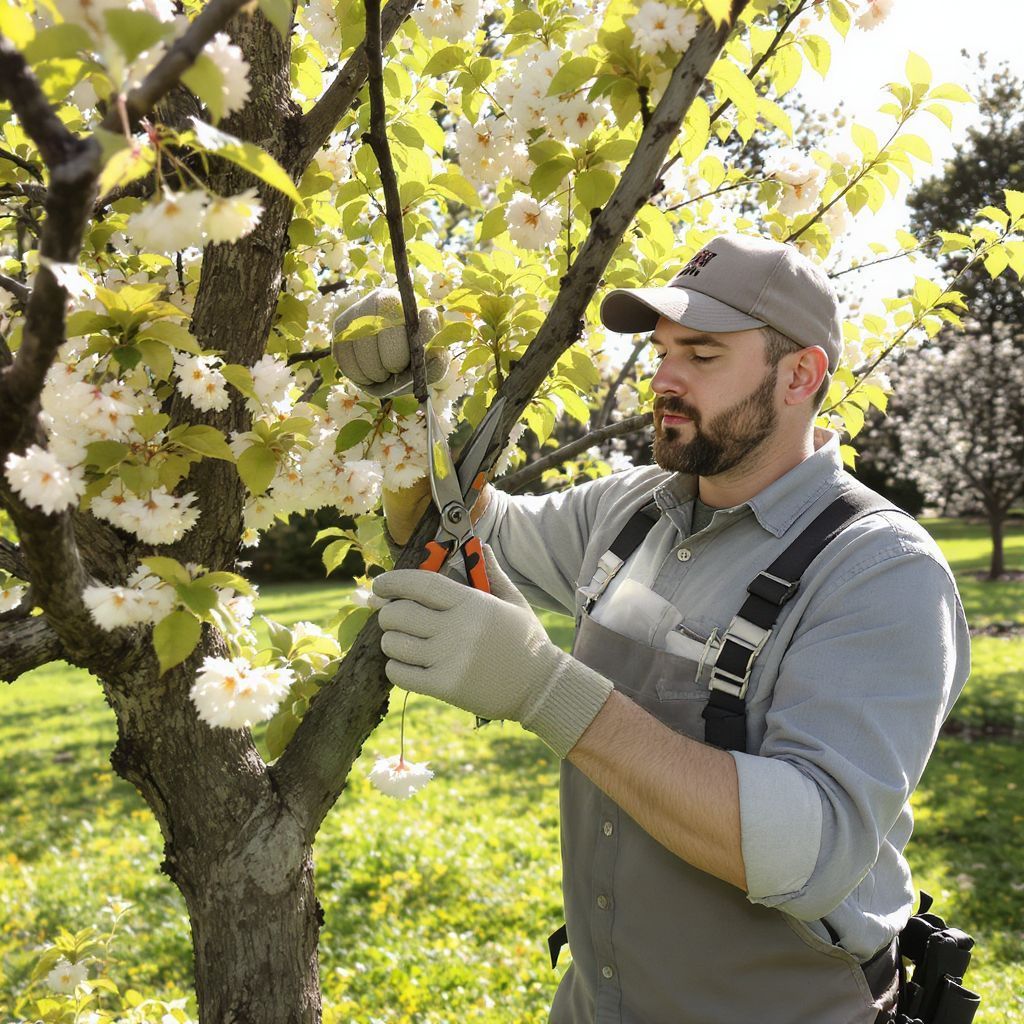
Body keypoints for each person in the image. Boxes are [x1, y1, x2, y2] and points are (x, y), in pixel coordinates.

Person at [355, 234, 971, 1024]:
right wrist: (407, 404)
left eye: (703, 356)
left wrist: (546, 689)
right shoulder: (632, 509)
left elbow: (812, 855)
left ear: (801, 375)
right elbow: (461, 526)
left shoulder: (880, 573)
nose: (665, 380)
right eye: (663, 351)